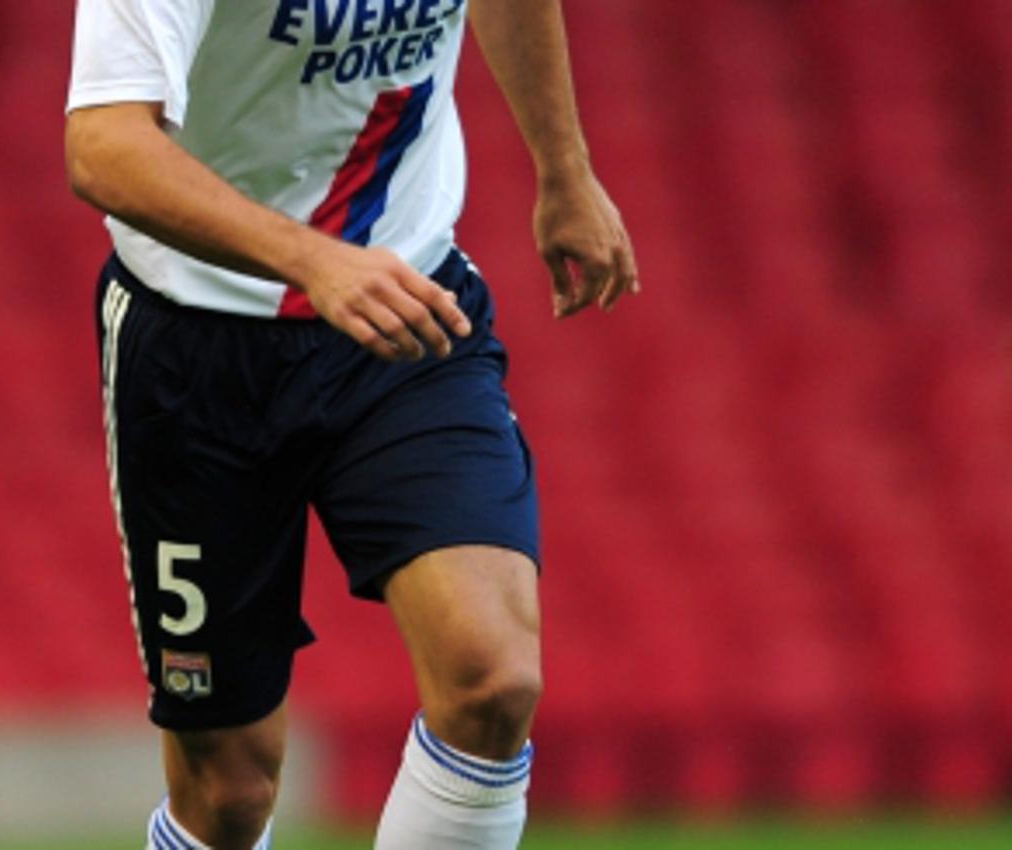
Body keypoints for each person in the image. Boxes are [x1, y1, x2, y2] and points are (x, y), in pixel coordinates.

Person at [65, 1, 638, 847]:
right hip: (197, 346)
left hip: (407, 311)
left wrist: (564, 169)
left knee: (494, 681)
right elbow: (103, 144)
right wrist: (312, 260)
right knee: (229, 791)